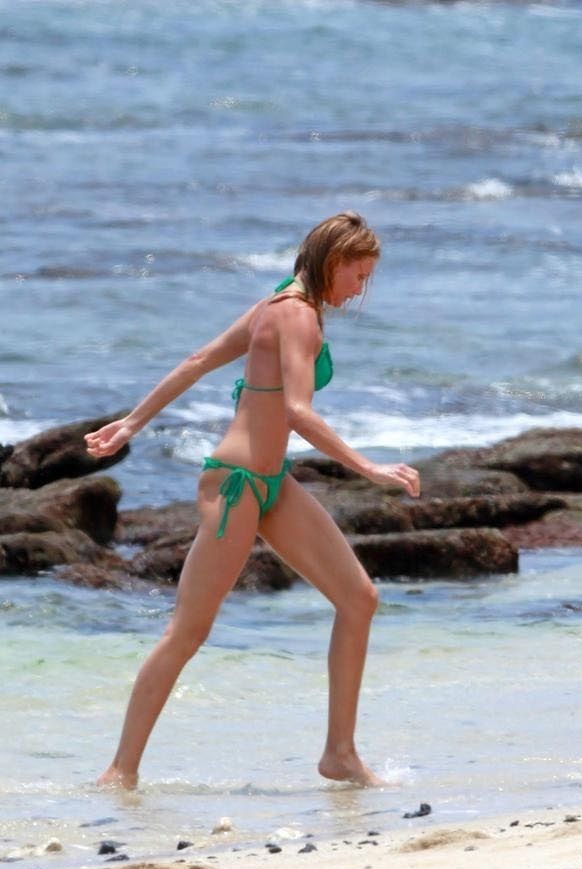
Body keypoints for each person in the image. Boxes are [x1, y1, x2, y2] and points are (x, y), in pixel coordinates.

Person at [85, 212, 421, 789]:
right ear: (334, 261)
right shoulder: (298, 317)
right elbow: (298, 412)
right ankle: (120, 772)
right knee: (188, 632)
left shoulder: (277, 303)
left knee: (359, 598)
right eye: (359, 275)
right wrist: (369, 468)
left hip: (271, 484)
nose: (359, 290)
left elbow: (198, 360)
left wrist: (133, 423)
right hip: (236, 486)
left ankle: (340, 754)